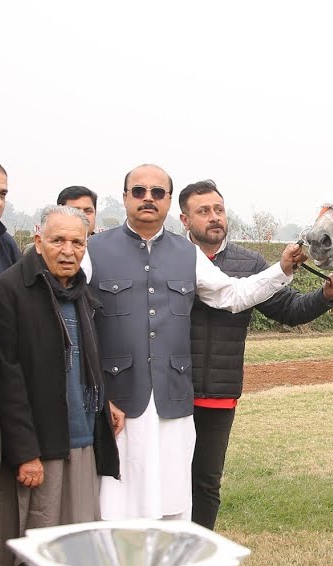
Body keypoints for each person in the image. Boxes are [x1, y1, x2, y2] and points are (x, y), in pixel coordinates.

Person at [87, 164, 307, 523]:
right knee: (117, 490)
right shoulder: (93, 251)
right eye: (139, 191)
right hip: (119, 401)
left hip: (174, 396)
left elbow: (233, 295)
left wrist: (281, 269)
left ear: (168, 201)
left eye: (157, 192)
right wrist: (98, 390)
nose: (148, 198)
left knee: (174, 488)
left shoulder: (185, 254)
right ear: (125, 197)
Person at [0, 206, 123, 566]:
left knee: (75, 545)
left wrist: (103, 401)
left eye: (78, 242)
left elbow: (85, 359)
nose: (68, 251)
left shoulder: (80, 290)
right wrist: (25, 452)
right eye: (58, 241)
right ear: (38, 240)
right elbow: (6, 378)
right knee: (17, 545)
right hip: (37, 446)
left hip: (81, 440)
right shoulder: (12, 290)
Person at [179, 179, 333, 531]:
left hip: (219, 394)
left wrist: (325, 296)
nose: (214, 218)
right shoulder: (171, 259)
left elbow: (289, 310)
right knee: (165, 482)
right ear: (184, 220)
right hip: (171, 392)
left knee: (206, 483)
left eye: (219, 210)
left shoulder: (250, 263)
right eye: (204, 211)